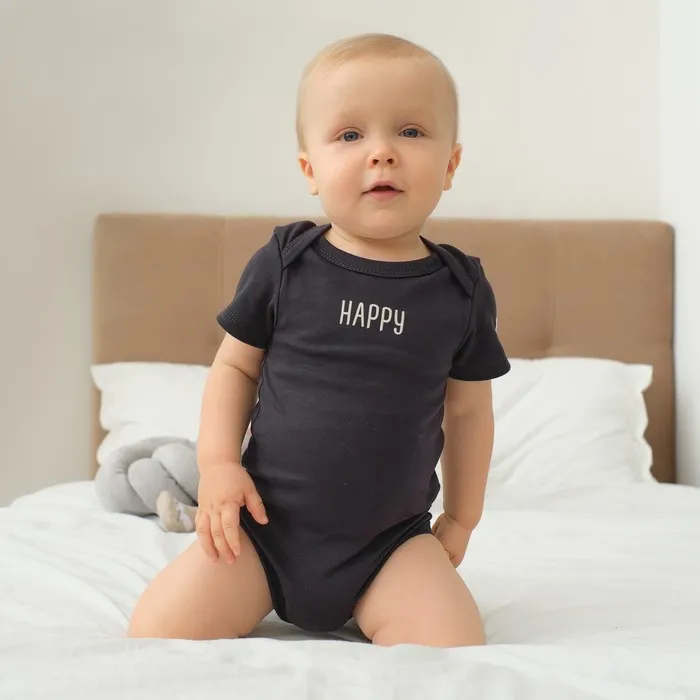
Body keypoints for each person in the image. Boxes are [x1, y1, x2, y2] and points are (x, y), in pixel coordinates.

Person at [127, 32, 510, 648]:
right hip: (262, 531)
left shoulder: (460, 291)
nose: (382, 153)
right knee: (157, 632)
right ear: (311, 170)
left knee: (454, 648)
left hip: (390, 545)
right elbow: (234, 369)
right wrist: (218, 464)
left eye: (411, 131)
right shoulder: (287, 263)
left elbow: (468, 412)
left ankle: (376, 601)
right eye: (350, 134)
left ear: (450, 165)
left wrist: (464, 517)